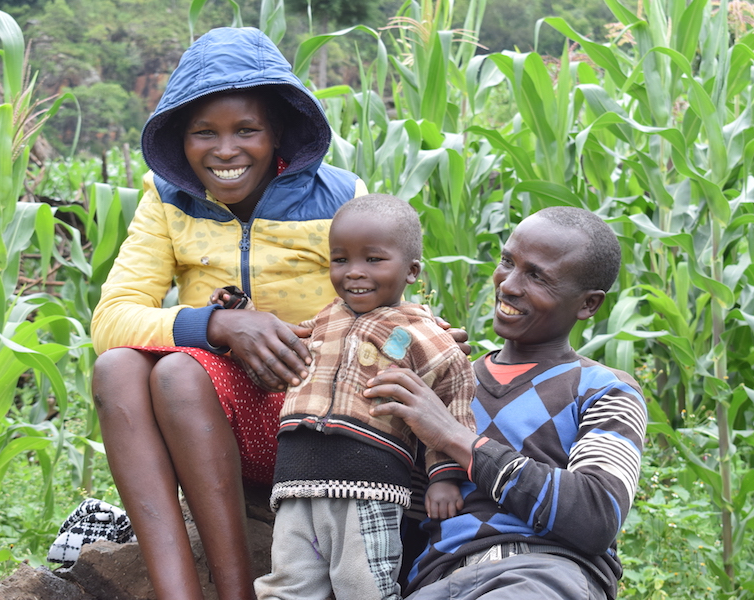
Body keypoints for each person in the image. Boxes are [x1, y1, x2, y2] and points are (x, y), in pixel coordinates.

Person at [90, 27, 368, 600]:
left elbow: (384, 312)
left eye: (247, 130)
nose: (225, 150)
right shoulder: (168, 201)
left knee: (176, 371)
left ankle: (239, 591)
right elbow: (111, 320)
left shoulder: (341, 197)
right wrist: (218, 324)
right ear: (180, 138)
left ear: (277, 134)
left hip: (313, 427)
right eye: (203, 133)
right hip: (215, 434)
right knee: (117, 368)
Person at [364, 207, 648, 600]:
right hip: (436, 582)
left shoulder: (605, 389)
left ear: (588, 305)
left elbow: (596, 516)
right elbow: (406, 512)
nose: (509, 285)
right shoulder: (446, 384)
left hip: (544, 575)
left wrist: (453, 436)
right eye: (507, 262)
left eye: (537, 276)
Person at [251, 194, 476, 600]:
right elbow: (281, 347)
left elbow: (453, 400)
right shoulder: (325, 319)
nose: (354, 273)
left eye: (373, 260)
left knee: (364, 586)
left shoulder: (425, 335)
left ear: (411, 271)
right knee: (287, 586)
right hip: (296, 481)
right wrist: (242, 311)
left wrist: (445, 477)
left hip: (366, 485)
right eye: (340, 260)